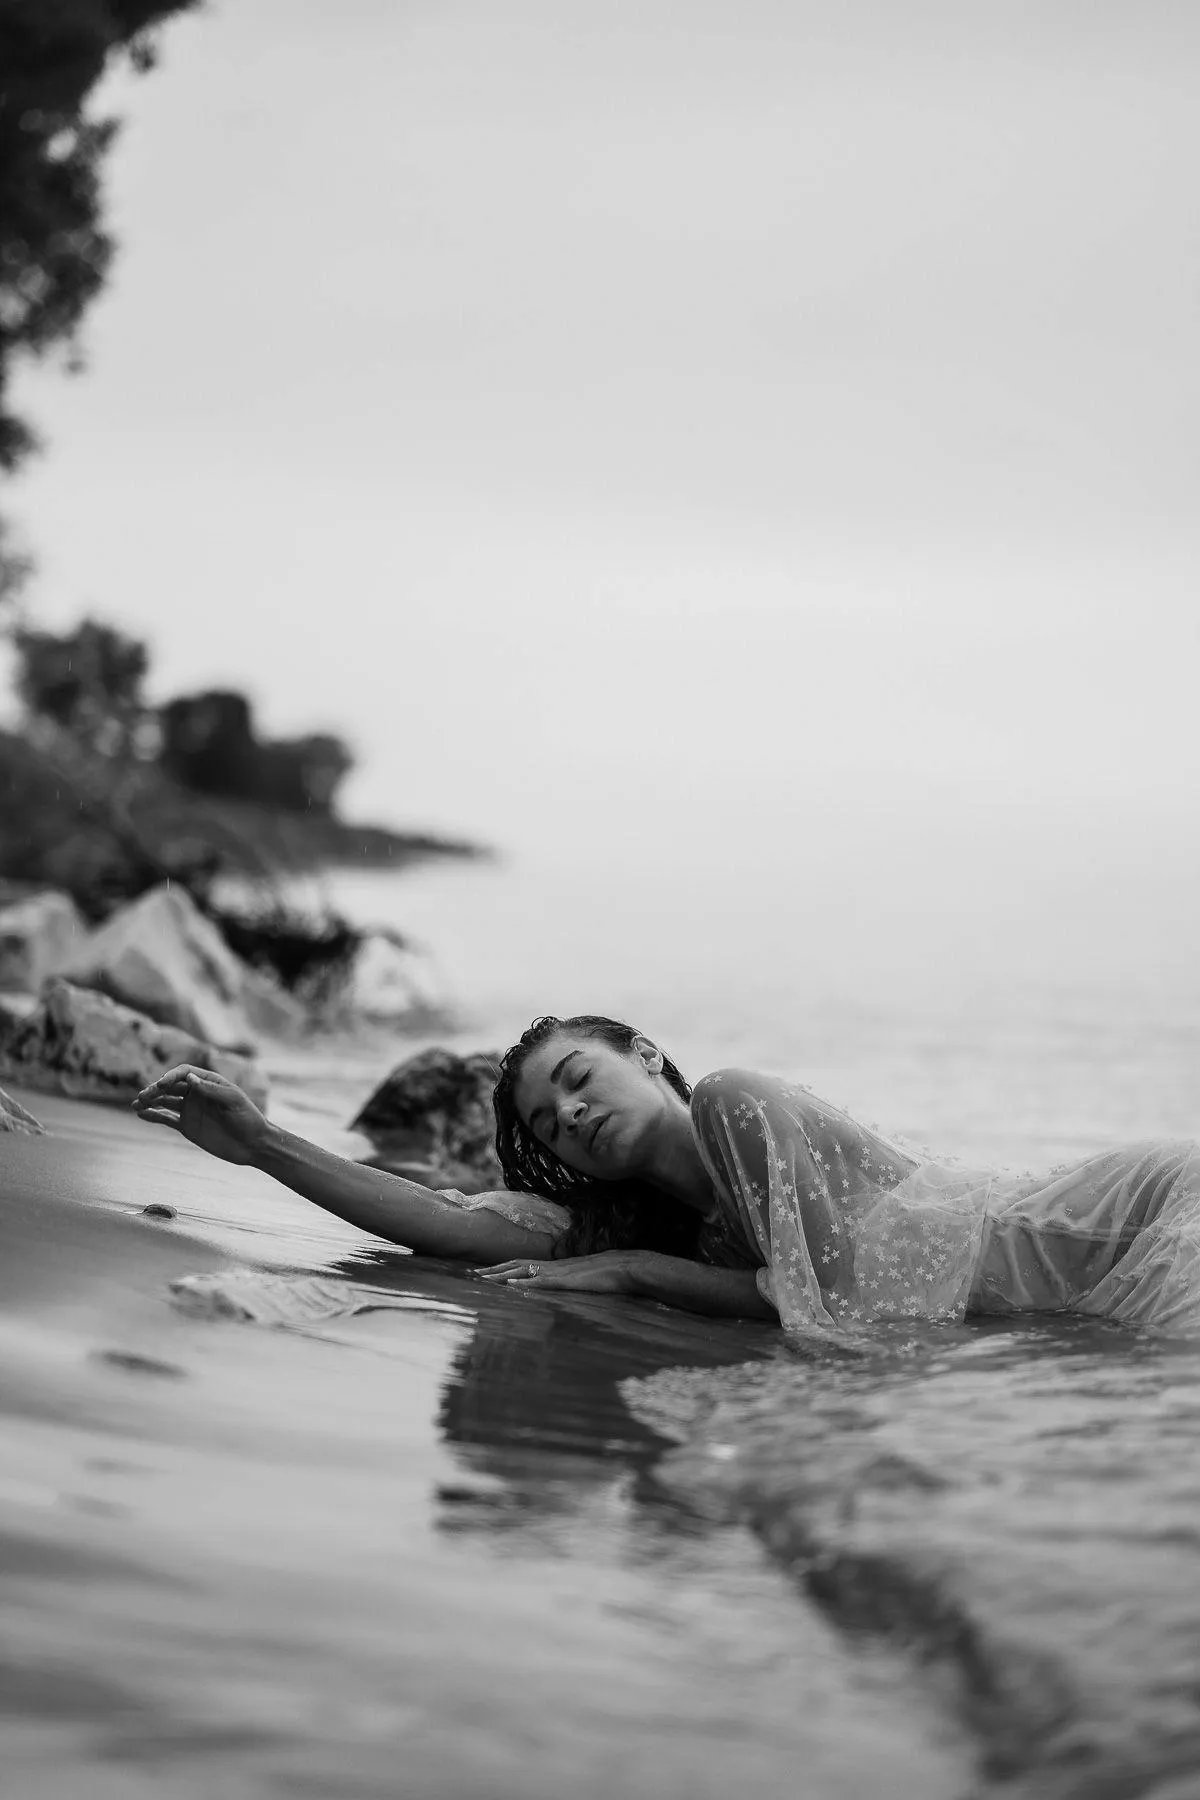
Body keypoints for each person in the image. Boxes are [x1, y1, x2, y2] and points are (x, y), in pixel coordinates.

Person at [134, 1012, 1200, 1336]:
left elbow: (838, 1305)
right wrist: (264, 1145)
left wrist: (642, 1269)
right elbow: (446, 1223)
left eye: (579, 1077)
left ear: (645, 1056)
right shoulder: (648, 1222)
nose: (572, 1115)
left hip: (1117, 1222)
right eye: (549, 1121)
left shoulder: (739, 1102)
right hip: (1064, 1281)